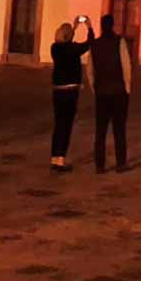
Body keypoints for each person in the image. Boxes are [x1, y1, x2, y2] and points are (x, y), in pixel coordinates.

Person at [87, 14, 132, 173]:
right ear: (112, 25)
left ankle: (100, 165)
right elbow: (126, 66)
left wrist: (95, 88)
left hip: (102, 93)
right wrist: (127, 88)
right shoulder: (119, 42)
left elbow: (90, 70)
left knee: (100, 131)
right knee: (119, 129)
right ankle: (121, 163)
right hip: (118, 91)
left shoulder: (95, 44)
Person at [49, 17, 94, 173]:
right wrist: (89, 27)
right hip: (70, 91)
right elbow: (89, 43)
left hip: (57, 91)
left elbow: (67, 41)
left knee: (58, 125)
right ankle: (60, 160)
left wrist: (73, 28)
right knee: (66, 126)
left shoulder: (54, 48)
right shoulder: (72, 49)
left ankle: (54, 157)